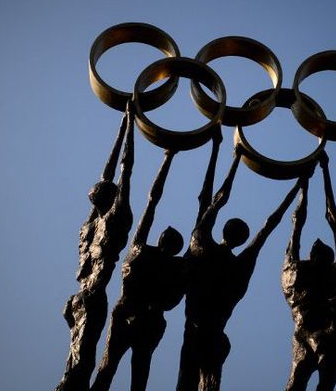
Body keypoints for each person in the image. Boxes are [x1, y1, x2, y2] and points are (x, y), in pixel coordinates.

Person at [176, 136, 308, 391]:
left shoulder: (201, 246)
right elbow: (270, 225)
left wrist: (234, 158)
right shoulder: (240, 266)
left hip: (195, 335)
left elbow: (212, 201)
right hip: (215, 339)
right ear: (241, 239)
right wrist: (300, 186)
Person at [91, 149, 186, 391]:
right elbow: (152, 204)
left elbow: (152, 204)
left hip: (136, 316)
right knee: (128, 372)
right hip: (137, 316)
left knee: (116, 370)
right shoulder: (161, 259)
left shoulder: (143, 251)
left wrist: (168, 158)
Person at [56, 104, 135, 391]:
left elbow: (125, 171)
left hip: (89, 298)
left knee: (80, 360)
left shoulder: (113, 219)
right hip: (81, 298)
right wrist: (124, 124)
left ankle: (71, 385)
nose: (97, 185)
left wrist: (132, 127)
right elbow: (111, 171)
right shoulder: (93, 223)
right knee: (75, 356)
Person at [282, 153, 336, 391]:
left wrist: (306, 184)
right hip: (320, 334)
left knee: (299, 382)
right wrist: (323, 171)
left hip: (311, 331)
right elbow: (335, 223)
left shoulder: (299, 271)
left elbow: (298, 227)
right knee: (314, 382)